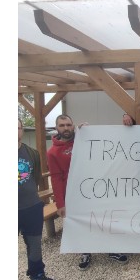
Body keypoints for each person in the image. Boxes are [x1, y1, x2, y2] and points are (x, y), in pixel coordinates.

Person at [48, 113, 127, 269]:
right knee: (81, 223)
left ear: (73, 125)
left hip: (93, 189)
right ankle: (85, 251)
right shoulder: (52, 152)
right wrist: (60, 203)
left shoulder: (83, 140)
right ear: (57, 128)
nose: (66, 128)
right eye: (62, 125)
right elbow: (56, 178)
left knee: (103, 218)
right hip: (72, 194)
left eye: (68, 125)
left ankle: (110, 249)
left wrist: (88, 132)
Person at [19, 118, 54, 280]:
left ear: (22, 130)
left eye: (17, 128)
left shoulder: (32, 153)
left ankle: (37, 274)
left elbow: (35, 177)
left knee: (34, 244)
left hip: (31, 207)